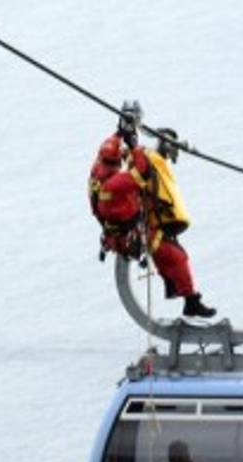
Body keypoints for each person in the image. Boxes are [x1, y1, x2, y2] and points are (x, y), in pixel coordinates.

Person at [88, 102, 216, 318]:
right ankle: (190, 300)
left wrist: (124, 132)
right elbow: (143, 173)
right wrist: (135, 145)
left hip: (125, 226)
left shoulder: (99, 173)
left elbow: (120, 155)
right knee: (176, 257)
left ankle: (184, 296)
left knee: (171, 255)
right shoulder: (115, 183)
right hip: (132, 234)